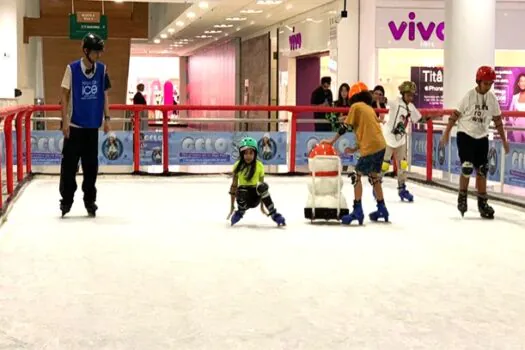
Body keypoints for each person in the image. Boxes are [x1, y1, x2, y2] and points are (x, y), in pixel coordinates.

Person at [440, 66, 510, 219]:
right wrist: (446, 133)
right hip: (465, 134)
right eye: (485, 83)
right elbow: (454, 116)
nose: (488, 86)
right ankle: (462, 196)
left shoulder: (492, 99)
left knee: (483, 169)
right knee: (466, 167)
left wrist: (504, 141)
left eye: (490, 84)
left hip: (482, 136)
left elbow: (498, 121)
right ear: (478, 82)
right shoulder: (469, 96)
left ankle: (482, 203)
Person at [59, 33, 111, 217]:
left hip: (91, 129)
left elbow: (105, 95)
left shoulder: (102, 70)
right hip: (74, 127)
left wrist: (107, 118)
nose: (99, 55)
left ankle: (90, 201)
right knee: (69, 167)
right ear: (86, 51)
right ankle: (66, 200)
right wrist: (65, 121)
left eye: (100, 52)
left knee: (91, 169)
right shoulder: (71, 69)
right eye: (96, 52)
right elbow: (64, 95)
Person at [322, 82, 389, 225]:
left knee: (356, 175)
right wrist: (354, 149)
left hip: (371, 147)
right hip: (381, 145)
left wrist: (332, 141)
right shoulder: (369, 108)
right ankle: (382, 208)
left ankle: (357, 210)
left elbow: (345, 126)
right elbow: (367, 131)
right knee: (374, 177)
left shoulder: (355, 107)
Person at [382, 81, 427, 202]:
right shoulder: (396, 102)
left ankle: (402, 188)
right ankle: (377, 185)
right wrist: (380, 98)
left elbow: (419, 118)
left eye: (412, 95)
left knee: (403, 164)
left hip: (401, 140)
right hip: (388, 139)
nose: (410, 97)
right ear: (402, 94)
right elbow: (386, 101)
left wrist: (428, 118)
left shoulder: (411, 107)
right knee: (385, 165)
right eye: (408, 95)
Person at [228, 137, 285, 226]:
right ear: (242, 154)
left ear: (255, 154)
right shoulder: (237, 166)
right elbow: (233, 186)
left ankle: (274, 214)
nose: (248, 156)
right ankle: (241, 211)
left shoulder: (259, 166)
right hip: (243, 198)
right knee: (241, 190)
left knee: (263, 186)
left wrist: (262, 207)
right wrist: (232, 206)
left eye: (251, 153)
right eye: (245, 153)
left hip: (255, 198)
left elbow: (262, 188)